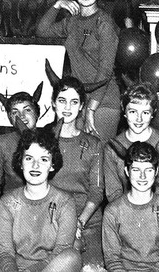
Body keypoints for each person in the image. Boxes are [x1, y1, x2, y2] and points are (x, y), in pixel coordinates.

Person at [37, 0, 121, 142]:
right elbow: (42, 31)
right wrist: (57, 5)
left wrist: (90, 109)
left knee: (97, 155)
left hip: (103, 102)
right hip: (77, 101)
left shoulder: (104, 23)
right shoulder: (71, 22)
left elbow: (105, 72)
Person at [0, 128, 81, 272]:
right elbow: (5, 252)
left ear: (52, 165)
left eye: (43, 159)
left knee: (71, 257)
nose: (35, 166)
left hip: (50, 268)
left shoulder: (65, 202)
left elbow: (61, 250)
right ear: (21, 163)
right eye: (29, 158)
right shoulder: (7, 202)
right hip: (15, 269)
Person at [47, 76, 105, 267]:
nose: (67, 107)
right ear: (53, 103)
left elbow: (97, 191)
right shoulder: (41, 140)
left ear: (81, 106)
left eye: (74, 102)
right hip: (50, 221)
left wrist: (79, 222)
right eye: (62, 100)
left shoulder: (93, 144)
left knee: (91, 269)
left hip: (87, 223)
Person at [103, 141, 159, 271]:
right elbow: (112, 258)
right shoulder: (113, 211)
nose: (142, 176)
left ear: (156, 172)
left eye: (148, 170)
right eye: (136, 170)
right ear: (127, 172)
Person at [104, 83, 159, 208]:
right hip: (127, 211)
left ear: (153, 114)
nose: (138, 119)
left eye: (145, 113)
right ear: (124, 112)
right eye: (133, 112)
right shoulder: (111, 149)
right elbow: (113, 194)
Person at [0, 89, 41, 227]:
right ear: (10, 118)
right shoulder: (2, 142)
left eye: (27, 110)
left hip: (42, 209)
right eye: (15, 112)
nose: (21, 116)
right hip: (12, 207)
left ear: (37, 113)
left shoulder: (48, 139)